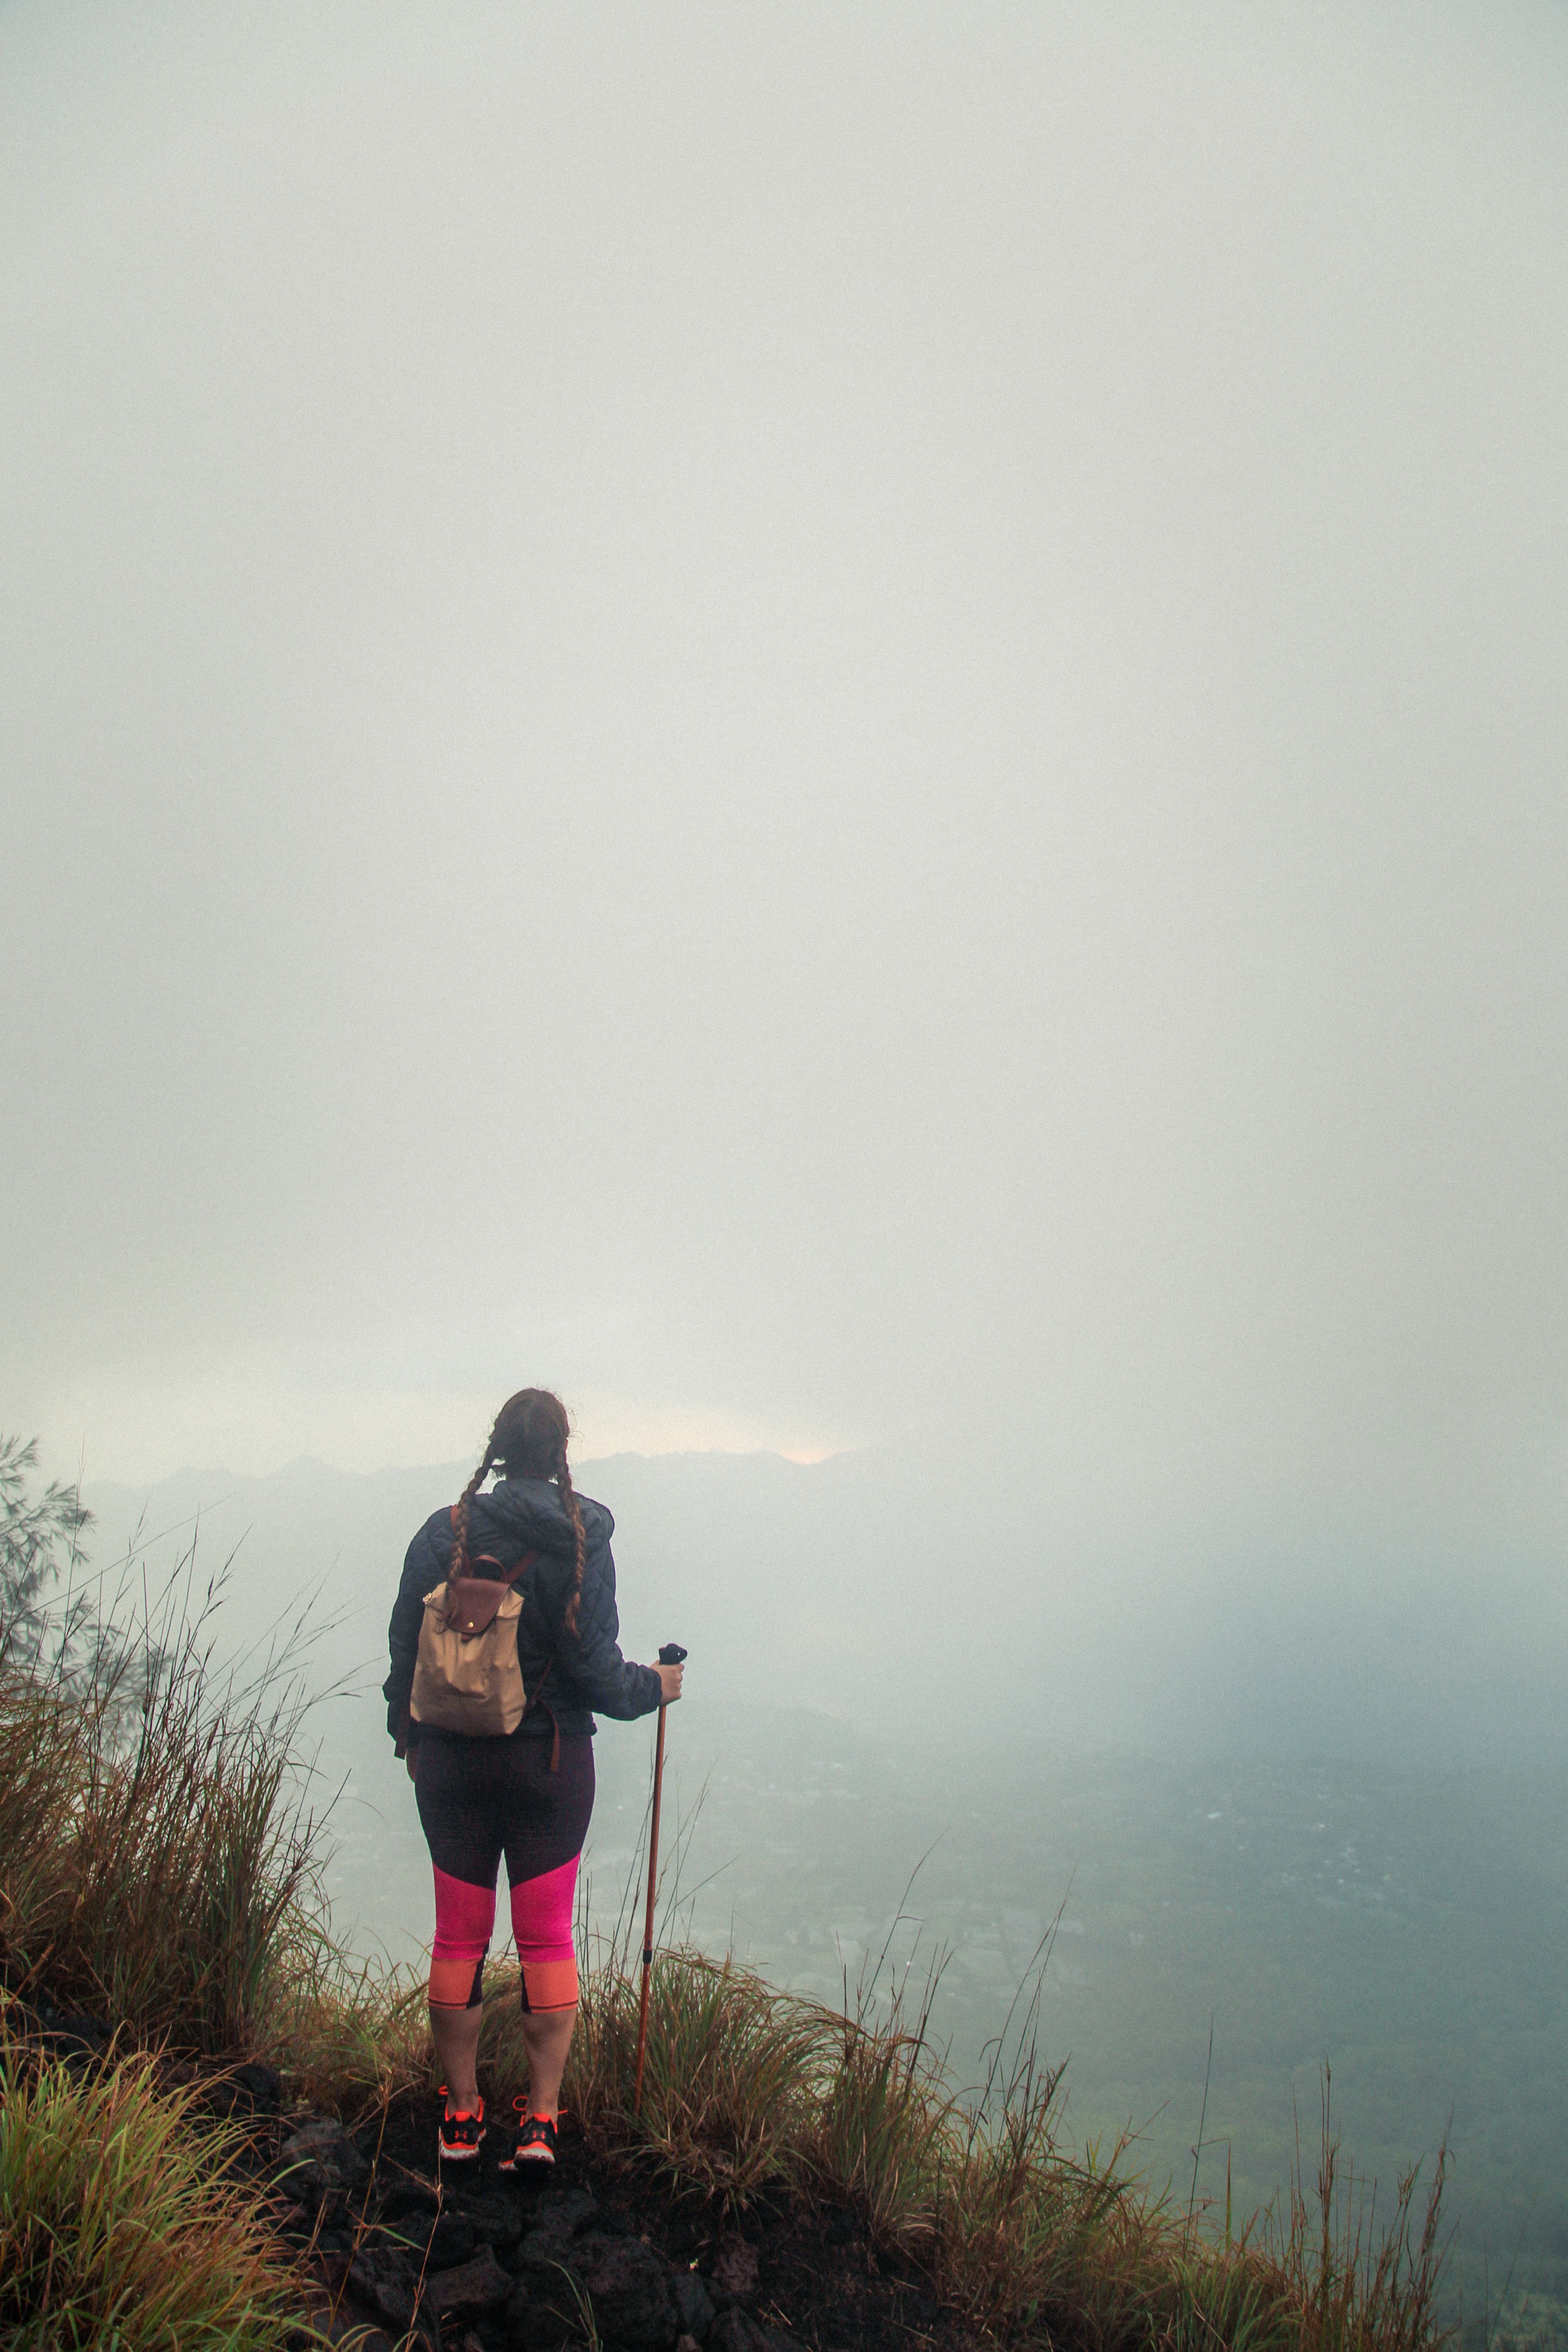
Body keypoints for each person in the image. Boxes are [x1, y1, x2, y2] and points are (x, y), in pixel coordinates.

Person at [384, 1387, 682, 2168]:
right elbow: (593, 1673)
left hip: (449, 1763)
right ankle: (542, 2123)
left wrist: (409, 1739)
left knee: (458, 1937)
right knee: (546, 1938)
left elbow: (401, 1650)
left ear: (497, 1448)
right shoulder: (579, 1539)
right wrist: (654, 1687)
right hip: (547, 1761)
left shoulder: (443, 1532)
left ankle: (460, 2115)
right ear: (561, 1453)